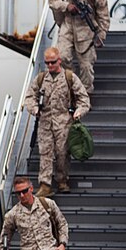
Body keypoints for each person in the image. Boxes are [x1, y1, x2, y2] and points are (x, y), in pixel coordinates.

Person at [24, 45, 90, 197]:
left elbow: (84, 98)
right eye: (47, 63)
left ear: (59, 60)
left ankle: (62, 180)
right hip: (45, 121)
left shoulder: (69, 77)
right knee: (45, 152)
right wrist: (34, 109)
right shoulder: (41, 79)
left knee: (62, 153)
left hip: (63, 121)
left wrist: (79, 112)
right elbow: (29, 97)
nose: (50, 66)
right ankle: (45, 184)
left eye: (53, 62)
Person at [49, 0, 110, 93]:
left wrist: (101, 34)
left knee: (86, 66)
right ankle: (72, 87)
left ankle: (86, 94)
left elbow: (103, 15)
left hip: (86, 30)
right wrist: (67, 6)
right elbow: (52, 0)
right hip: (68, 27)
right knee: (63, 57)